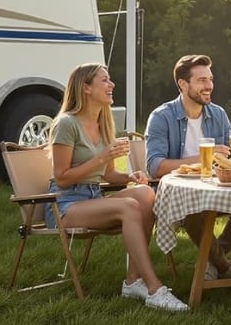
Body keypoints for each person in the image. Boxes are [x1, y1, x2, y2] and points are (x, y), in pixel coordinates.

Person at [46, 63, 187, 311]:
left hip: (93, 197)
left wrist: (131, 177)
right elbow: (62, 178)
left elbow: (109, 174)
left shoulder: (104, 123)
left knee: (145, 194)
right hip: (66, 204)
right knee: (129, 207)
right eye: (105, 80)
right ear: (86, 88)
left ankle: (133, 281)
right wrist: (101, 158)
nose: (112, 85)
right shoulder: (67, 124)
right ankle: (154, 289)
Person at [146, 54, 231, 281]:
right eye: (201, 80)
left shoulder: (218, 114)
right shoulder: (161, 117)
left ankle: (211, 261)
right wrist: (201, 160)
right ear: (183, 84)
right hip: (180, 196)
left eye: (210, 79)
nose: (209, 85)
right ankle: (224, 265)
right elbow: (155, 167)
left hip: (217, 190)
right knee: (192, 211)